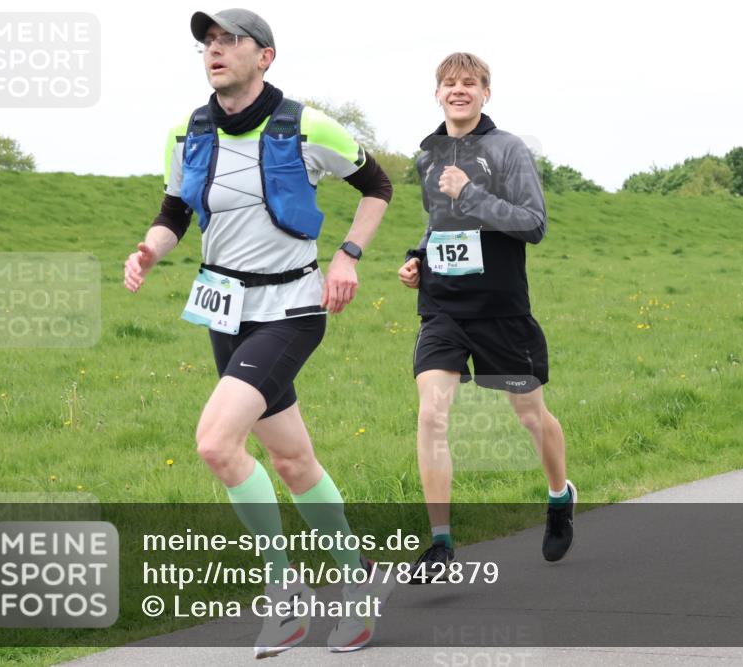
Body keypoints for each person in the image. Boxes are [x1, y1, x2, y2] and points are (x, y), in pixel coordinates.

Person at [123, 8, 394, 655]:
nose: (214, 51)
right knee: (293, 460)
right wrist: (152, 248)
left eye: (229, 40)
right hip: (225, 308)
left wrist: (348, 255)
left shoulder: (307, 125)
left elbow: (377, 185)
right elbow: (174, 211)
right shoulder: (187, 132)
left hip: (292, 306)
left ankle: (284, 588)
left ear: (264, 56)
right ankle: (358, 578)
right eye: (207, 43)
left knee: (217, 443)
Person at [397, 53, 576, 583]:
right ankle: (440, 543)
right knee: (432, 414)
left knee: (530, 415)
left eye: (469, 83)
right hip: (443, 308)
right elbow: (439, 222)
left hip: (500, 311)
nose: (459, 90)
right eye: (449, 83)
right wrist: (418, 257)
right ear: (437, 94)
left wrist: (471, 193)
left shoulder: (508, 150)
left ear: (485, 93)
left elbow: (533, 224)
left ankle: (559, 496)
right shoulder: (428, 156)